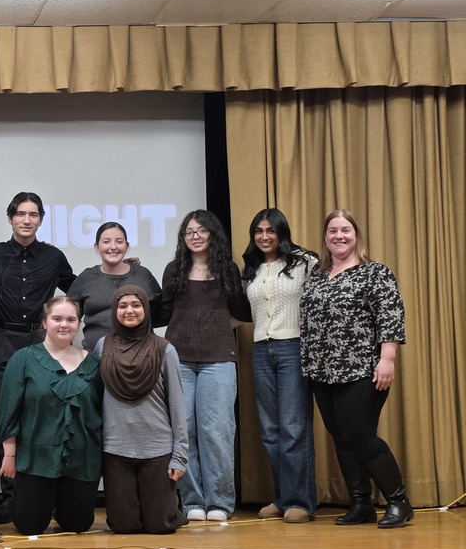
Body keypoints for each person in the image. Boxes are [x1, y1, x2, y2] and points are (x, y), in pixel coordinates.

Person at [300, 209, 411, 528]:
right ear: (325, 237)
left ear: (356, 235)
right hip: (322, 371)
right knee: (340, 437)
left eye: (346, 230)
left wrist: (387, 357)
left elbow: (390, 315)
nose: (339, 235)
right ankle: (360, 503)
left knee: (359, 435)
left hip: (362, 369)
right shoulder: (318, 275)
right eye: (333, 230)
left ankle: (399, 501)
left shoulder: (374, 272)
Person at [0, 191, 76, 524]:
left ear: (40, 220)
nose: (26, 219)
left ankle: (41, 496)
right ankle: (10, 499)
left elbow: (76, 286)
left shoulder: (53, 257)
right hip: (2, 341)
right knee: (8, 419)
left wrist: (122, 269)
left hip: (40, 343)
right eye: (20, 214)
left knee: (40, 421)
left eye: (33, 214)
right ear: (10, 218)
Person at [155, 210, 250, 522]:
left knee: (218, 431)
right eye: (188, 232)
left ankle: (220, 502)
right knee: (186, 430)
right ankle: (192, 501)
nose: (194, 236)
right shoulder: (174, 270)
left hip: (219, 360)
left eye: (200, 231)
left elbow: (241, 312)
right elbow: (163, 313)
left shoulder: (228, 269)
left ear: (213, 234)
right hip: (179, 360)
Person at [0, 297, 103, 535]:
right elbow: (8, 410)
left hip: (82, 459)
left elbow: (100, 413)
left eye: (71, 319)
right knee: (28, 526)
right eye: (57, 318)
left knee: (78, 525)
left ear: (78, 324)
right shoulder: (23, 359)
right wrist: (10, 455)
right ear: (44, 322)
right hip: (36, 458)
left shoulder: (95, 365)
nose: (64, 325)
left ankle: (63, 505)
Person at [241, 208, 318, 524]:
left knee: (292, 426)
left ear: (282, 232)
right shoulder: (252, 270)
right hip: (261, 349)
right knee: (271, 431)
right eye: (258, 231)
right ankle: (284, 497)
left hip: (293, 347)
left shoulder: (304, 263)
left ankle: (301, 501)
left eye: (270, 230)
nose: (264, 236)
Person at [93, 286, 188, 534]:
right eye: (122, 305)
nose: (129, 310)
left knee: (160, 526)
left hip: (157, 450)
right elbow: (94, 400)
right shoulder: (103, 347)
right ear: (115, 311)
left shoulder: (164, 349)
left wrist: (179, 455)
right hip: (115, 449)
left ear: (146, 309)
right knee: (124, 527)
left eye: (136, 305)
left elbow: (177, 405)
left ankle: (172, 510)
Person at [69, 221, 161, 350]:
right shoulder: (86, 278)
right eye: (106, 242)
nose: (113, 247)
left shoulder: (143, 275)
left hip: (141, 356)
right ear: (97, 247)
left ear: (127, 246)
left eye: (119, 241)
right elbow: (68, 316)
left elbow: (161, 311)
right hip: (95, 358)